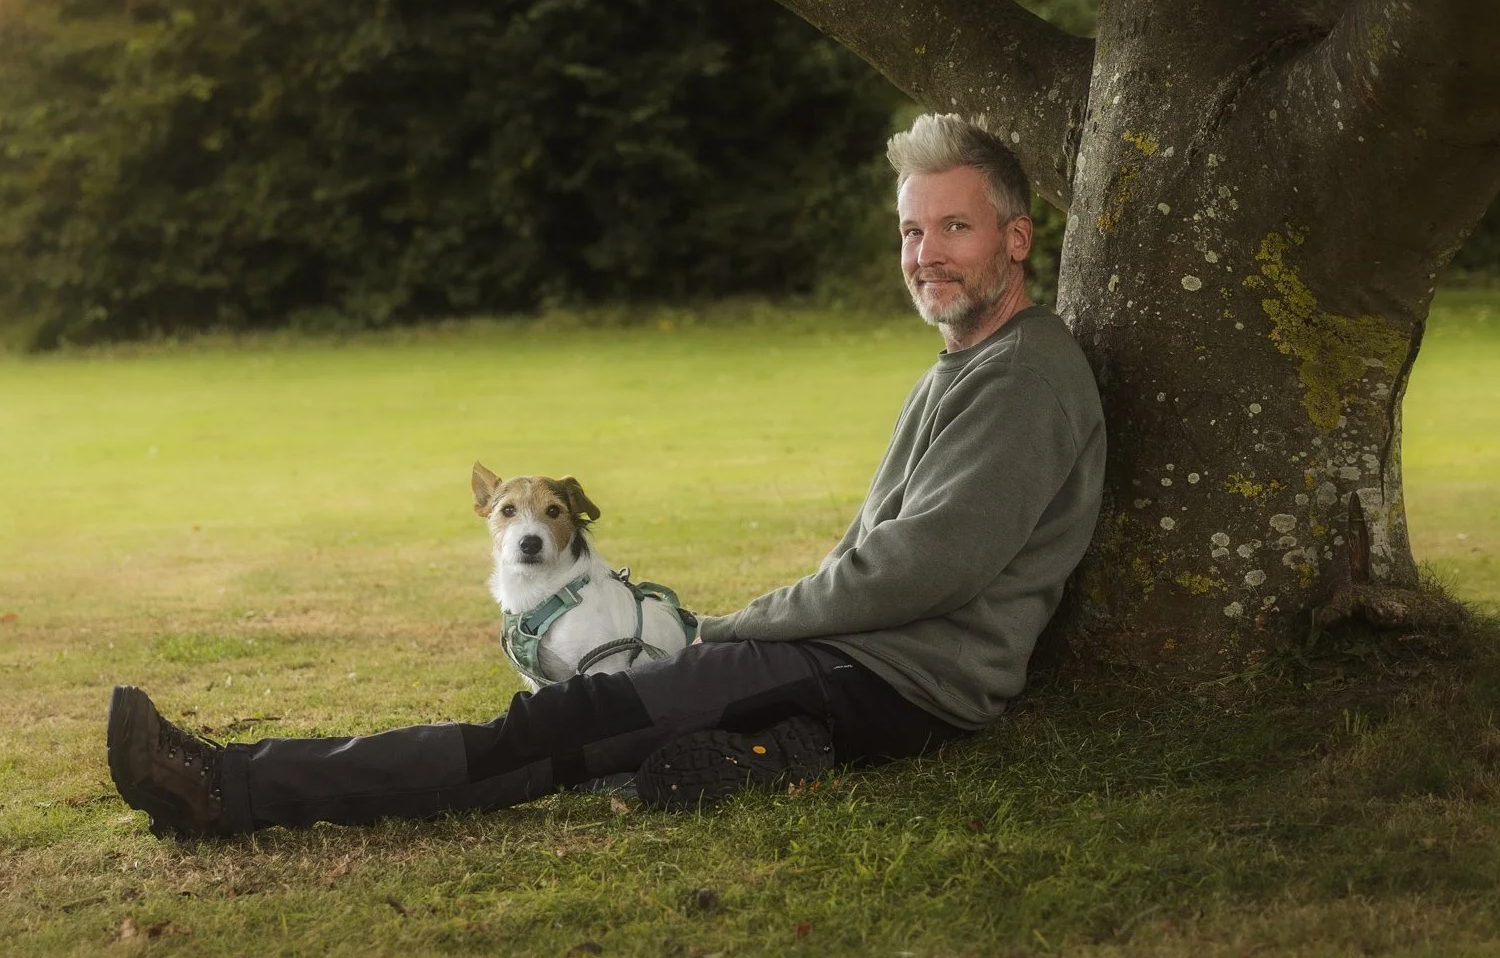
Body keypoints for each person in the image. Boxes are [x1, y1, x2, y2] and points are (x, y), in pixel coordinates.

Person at [106, 112, 1106, 837]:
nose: (925, 254)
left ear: (1017, 239)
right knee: (630, 722)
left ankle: (227, 787)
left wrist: (738, 624)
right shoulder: (975, 362)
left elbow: (923, 569)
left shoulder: (1024, 378)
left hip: (896, 675)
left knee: (562, 722)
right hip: (867, 667)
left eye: (954, 229)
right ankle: (772, 753)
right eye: (910, 230)